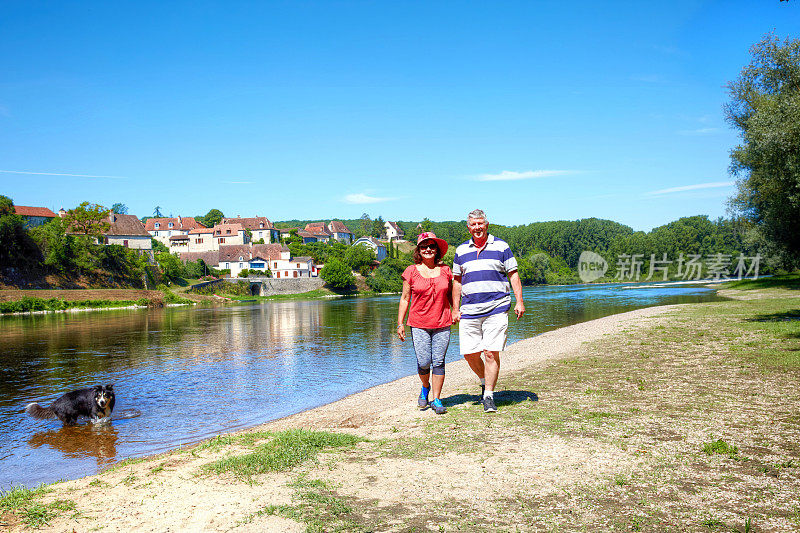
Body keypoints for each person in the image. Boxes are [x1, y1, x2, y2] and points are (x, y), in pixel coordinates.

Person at [452, 209, 525, 413]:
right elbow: (456, 282)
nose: (477, 227)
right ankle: (485, 381)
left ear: (487, 225)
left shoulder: (501, 246)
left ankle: (489, 396)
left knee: (490, 353)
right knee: (469, 353)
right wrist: (455, 309)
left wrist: (519, 301)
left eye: (480, 224)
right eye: (473, 224)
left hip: (497, 307)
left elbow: (513, 275)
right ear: (468, 227)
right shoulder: (460, 251)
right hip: (469, 309)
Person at [397, 232, 454, 415]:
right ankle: (425, 387)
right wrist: (400, 323)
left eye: (431, 246)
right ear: (418, 251)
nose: (428, 249)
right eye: (423, 246)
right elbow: (405, 298)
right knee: (424, 362)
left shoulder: (445, 270)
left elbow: (452, 294)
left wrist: (455, 311)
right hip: (419, 323)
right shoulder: (411, 271)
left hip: (442, 322)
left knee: (438, 361)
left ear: (437, 250)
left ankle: (437, 399)